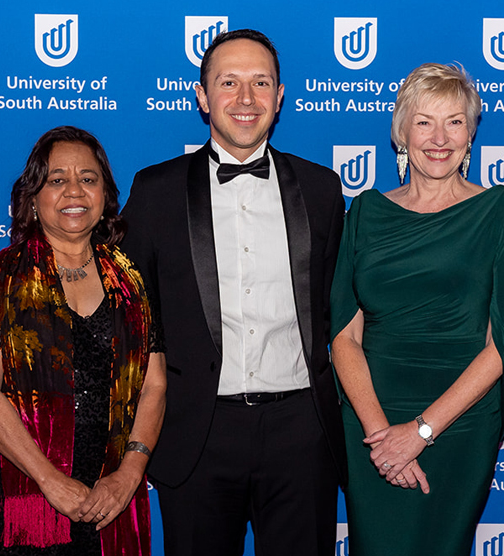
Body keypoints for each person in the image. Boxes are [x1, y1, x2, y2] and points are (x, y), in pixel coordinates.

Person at [120, 29, 346, 556]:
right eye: (229, 83)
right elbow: (131, 317)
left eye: (260, 83)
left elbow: (342, 308)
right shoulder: (154, 192)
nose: (246, 99)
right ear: (202, 97)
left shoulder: (321, 189)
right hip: (198, 433)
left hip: (301, 433)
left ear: (280, 95)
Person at [330, 63, 504, 556]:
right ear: (402, 133)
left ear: (471, 134)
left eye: (455, 121)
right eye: (424, 122)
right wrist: (383, 437)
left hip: (458, 425)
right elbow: (343, 336)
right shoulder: (365, 211)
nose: (439, 137)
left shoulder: (501, 211)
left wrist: (421, 432)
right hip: (370, 425)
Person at [0, 126, 166, 556]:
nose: (75, 190)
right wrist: (50, 481)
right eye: (57, 179)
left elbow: (155, 385)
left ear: (105, 195)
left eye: (88, 179)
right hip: (33, 498)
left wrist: (129, 475)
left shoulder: (132, 279)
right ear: (33, 196)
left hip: (116, 500)